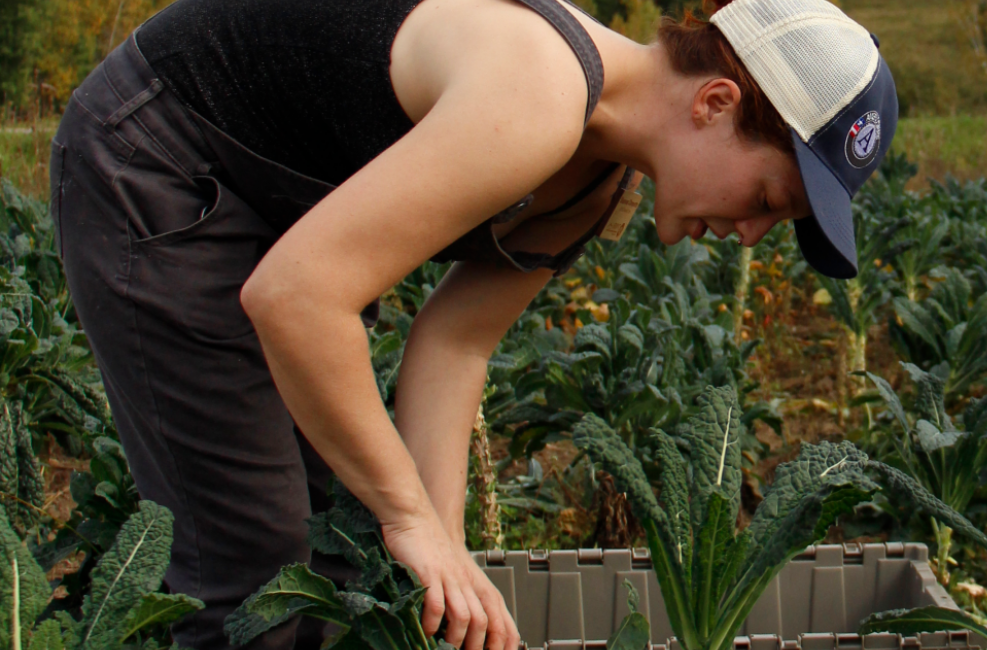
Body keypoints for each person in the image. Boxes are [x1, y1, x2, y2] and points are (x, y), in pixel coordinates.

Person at [48, 0, 897, 647]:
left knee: (350, 559)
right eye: (766, 199)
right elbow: (297, 297)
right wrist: (411, 519)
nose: (749, 234)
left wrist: (444, 560)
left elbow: (454, 347)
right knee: (256, 568)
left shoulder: (598, 183)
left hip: (272, 213)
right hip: (161, 156)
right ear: (715, 101)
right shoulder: (539, 94)